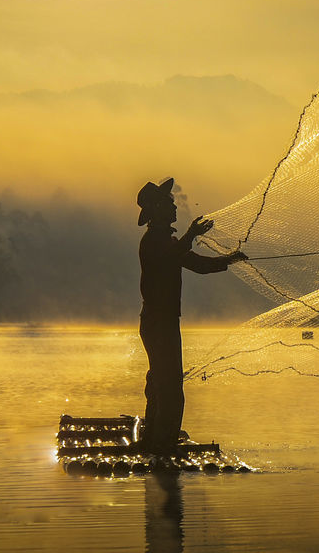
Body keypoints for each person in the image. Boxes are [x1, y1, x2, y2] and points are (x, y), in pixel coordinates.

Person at [135, 178, 245, 455]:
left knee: (162, 378)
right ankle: (161, 442)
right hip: (158, 323)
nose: (174, 209)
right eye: (168, 205)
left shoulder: (167, 241)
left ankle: (158, 437)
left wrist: (229, 260)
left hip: (164, 322)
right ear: (157, 209)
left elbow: (196, 264)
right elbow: (171, 255)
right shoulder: (153, 242)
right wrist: (191, 234)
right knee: (168, 382)